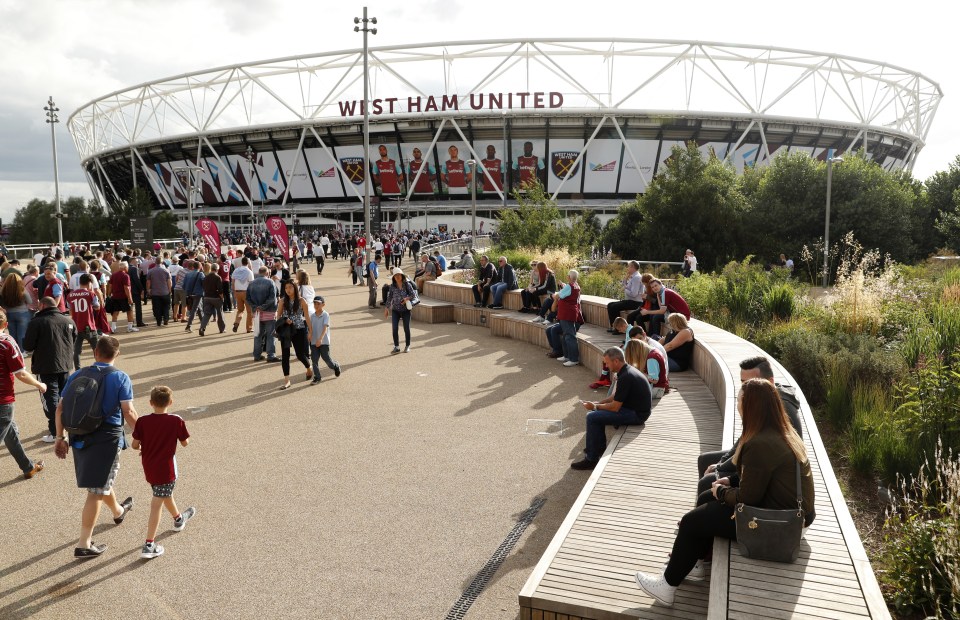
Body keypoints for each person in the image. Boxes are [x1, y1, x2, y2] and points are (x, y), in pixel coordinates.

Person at [635, 378, 815, 606]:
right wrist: (729, 480)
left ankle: (667, 586)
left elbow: (748, 498)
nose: (737, 405)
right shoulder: (780, 431)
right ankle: (696, 563)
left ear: (751, 406)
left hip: (780, 523)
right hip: (786, 512)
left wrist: (721, 491)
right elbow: (760, 476)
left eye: (739, 400)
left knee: (692, 521)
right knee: (704, 499)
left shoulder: (760, 443)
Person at [54, 336, 139, 559]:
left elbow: (60, 408)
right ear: (116, 355)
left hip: (79, 436)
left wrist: (59, 437)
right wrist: (143, 436)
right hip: (106, 440)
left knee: (100, 482)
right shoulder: (120, 377)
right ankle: (84, 543)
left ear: (95, 352)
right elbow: (128, 411)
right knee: (96, 490)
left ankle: (118, 511)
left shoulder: (77, 374)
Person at [696, 356, 803, 498]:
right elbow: (745, 439)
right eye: (743, 383)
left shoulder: (779, 408)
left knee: (708, 481)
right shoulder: (762, 399)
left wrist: (722, 469)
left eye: (751, 383)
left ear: (770, 382)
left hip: (771, 477)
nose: (745, 389)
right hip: (758, 460)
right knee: (705, 460)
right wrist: (721, 463)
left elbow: (757, 454)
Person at [131, 385, 196, 559]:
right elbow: (185, 442)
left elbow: (135, 445)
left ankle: (178, 518)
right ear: (171, 402)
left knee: (164, 493)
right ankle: (149, 544)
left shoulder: (143, 421)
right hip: (166, 469)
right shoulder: (176, 420)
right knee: (156, 503)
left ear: (151, 403)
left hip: (149, 467)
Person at [572, 346, 652, 470]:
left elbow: (615, 407)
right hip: (634, 409)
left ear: (616, 361)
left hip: (637, 414)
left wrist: (594, 406)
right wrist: (599, 403)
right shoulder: (626, 370)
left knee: (592, 417)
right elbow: (616, 395)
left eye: (607, 363)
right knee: (597, 414)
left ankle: (591, 459)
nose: (606, 366)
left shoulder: (626, 376)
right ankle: (598, 447)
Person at [0, 309, 47, 480]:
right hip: (3, 399)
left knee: (10, 432)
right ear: (5, 325)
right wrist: (38, 384)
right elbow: (20, 373)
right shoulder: (7, 342)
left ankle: (28, 467)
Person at [24, 297, 77, 442]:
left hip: (45, 366)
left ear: (42, 305)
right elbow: (74, 339)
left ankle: (55, 432)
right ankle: (68, 428)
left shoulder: (37, 322)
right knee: (64, 396)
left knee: (50, 400)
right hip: (65, 365)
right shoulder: (68, 320)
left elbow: (28, 345)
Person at [277, 281, 312, 390]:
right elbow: (278, 316)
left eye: (290, 287)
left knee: (300, 354)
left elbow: (306, 317)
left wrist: (310, 331)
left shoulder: (302, 301)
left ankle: (309, 367)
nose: (288, 290)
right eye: (286, 288)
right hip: (286, 330)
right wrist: (284, 320)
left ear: (295, 288)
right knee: (285, 355)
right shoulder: (282, 301)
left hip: (299, 330)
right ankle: (287, 380)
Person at [545, 270, 584, 367]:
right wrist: (562, 286)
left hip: (567, 314)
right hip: (567, 314)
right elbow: (566, 292)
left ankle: (573, 359)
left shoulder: (569, 286)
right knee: (566, 335)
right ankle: (566, 356)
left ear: (569, 277)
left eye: (568, 276)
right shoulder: (574, 285)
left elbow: (558, 295)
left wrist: (555, 296)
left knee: (570, 336)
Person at [67, 275, 101, 371]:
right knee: (96, 348)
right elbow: (97, 306)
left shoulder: (70, 295)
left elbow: (70, 310)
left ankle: (77, 370)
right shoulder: (90, 294)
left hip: (76, 325)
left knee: (76, 351)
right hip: (89, 325)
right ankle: (99, 367)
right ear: (89, 282)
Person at [247, 267, 280, 363]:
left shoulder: (252, 283)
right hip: (269, 312)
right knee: (271, 334)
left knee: (258, 334)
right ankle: (271, 355)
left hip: (257, 313)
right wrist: (262, 307)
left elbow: (248, 298)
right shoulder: (270, 282)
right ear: (267, 273)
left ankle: (257, 355)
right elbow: (272, 299)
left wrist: (256, 307)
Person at [309, 297, 342, 384]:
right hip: (313, 342)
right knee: (314, 360)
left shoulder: (325, 315)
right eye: (315, 303)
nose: (316, 305)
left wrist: (320, 339)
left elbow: (325, 328)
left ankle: (335, 366)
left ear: (323, 305)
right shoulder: (312, 316)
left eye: (318, 304)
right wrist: (309, 335)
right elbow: (311, 328)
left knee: (327, 359)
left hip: (323, 342)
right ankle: (317, 377)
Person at [605, 260, 644, 332]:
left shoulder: (636, 278)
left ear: (633, 267)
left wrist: (625, 289)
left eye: (628, 266)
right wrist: (625, 279)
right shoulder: (633, 277)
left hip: (635, 302)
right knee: (610, 305)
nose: (627, 268)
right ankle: (614, 327)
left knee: (614, 307)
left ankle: (618, 329)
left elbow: (634, 294)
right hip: (630, 301)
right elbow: (626, 286)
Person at [384, 267, 416, 354]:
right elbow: (389, 297)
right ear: (393, 277)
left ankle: (407, 346)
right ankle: (397, 347)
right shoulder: (392, 287)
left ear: (402, 276)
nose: (397, 277)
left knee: (406, 328)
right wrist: (386, 308)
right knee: (394, 328)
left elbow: (413, 295)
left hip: (406, 310)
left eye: (399, 275)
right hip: (395, 310)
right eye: (395, 275)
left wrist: (407, 298)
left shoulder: (407, 285)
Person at [0, 273, 31, 351]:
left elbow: (2, 304)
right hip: (23, 314)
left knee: (12, 334)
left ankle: (14, 350)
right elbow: (29, 301)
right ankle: (22, 351)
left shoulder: (3, 291)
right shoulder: (23, 290)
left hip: (9, 314)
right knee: (22, 334)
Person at [107, 262, 138, 333]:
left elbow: (110, 286)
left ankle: (113, 328)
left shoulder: (114, 275)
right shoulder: (125, 276)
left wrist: (109, 294)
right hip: (124, 296)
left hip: (115, 296)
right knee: (129, 311)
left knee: (115, 312)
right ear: (125, 268)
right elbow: (127, 288)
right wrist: (130, 298)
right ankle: (130, 327)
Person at [198, 262, 225, 336]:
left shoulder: (206, 277)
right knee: (220, 314)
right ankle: (221, 329)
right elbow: (220, 290)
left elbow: (203, 286)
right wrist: (222, 297)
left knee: (206, 314)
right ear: (217, 269)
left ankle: (202, 328)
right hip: (216, 298)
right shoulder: (218, 277)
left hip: (207, 297)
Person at [231, 256, 254, 333]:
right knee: (249, 311)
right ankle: (249, 328)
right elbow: (251, 284)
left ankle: (236, 322)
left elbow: (233, 282)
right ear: (248, 263)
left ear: (242, 262)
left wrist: (234, 292)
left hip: (237, 292)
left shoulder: (236, 270)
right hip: (246, 292)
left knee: (240, 310)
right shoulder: (249, 272)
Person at [146, 259, 172, 327]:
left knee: (156, 307)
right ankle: (166, 319)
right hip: (165, 291)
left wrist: (148, 289)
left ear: (155, 262)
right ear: (162, 262)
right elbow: (169, 282)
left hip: (155, 292)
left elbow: (148, 282)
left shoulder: (151, 271)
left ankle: (158, 321)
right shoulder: (166, 270)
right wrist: (169, 290)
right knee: (166, 306)